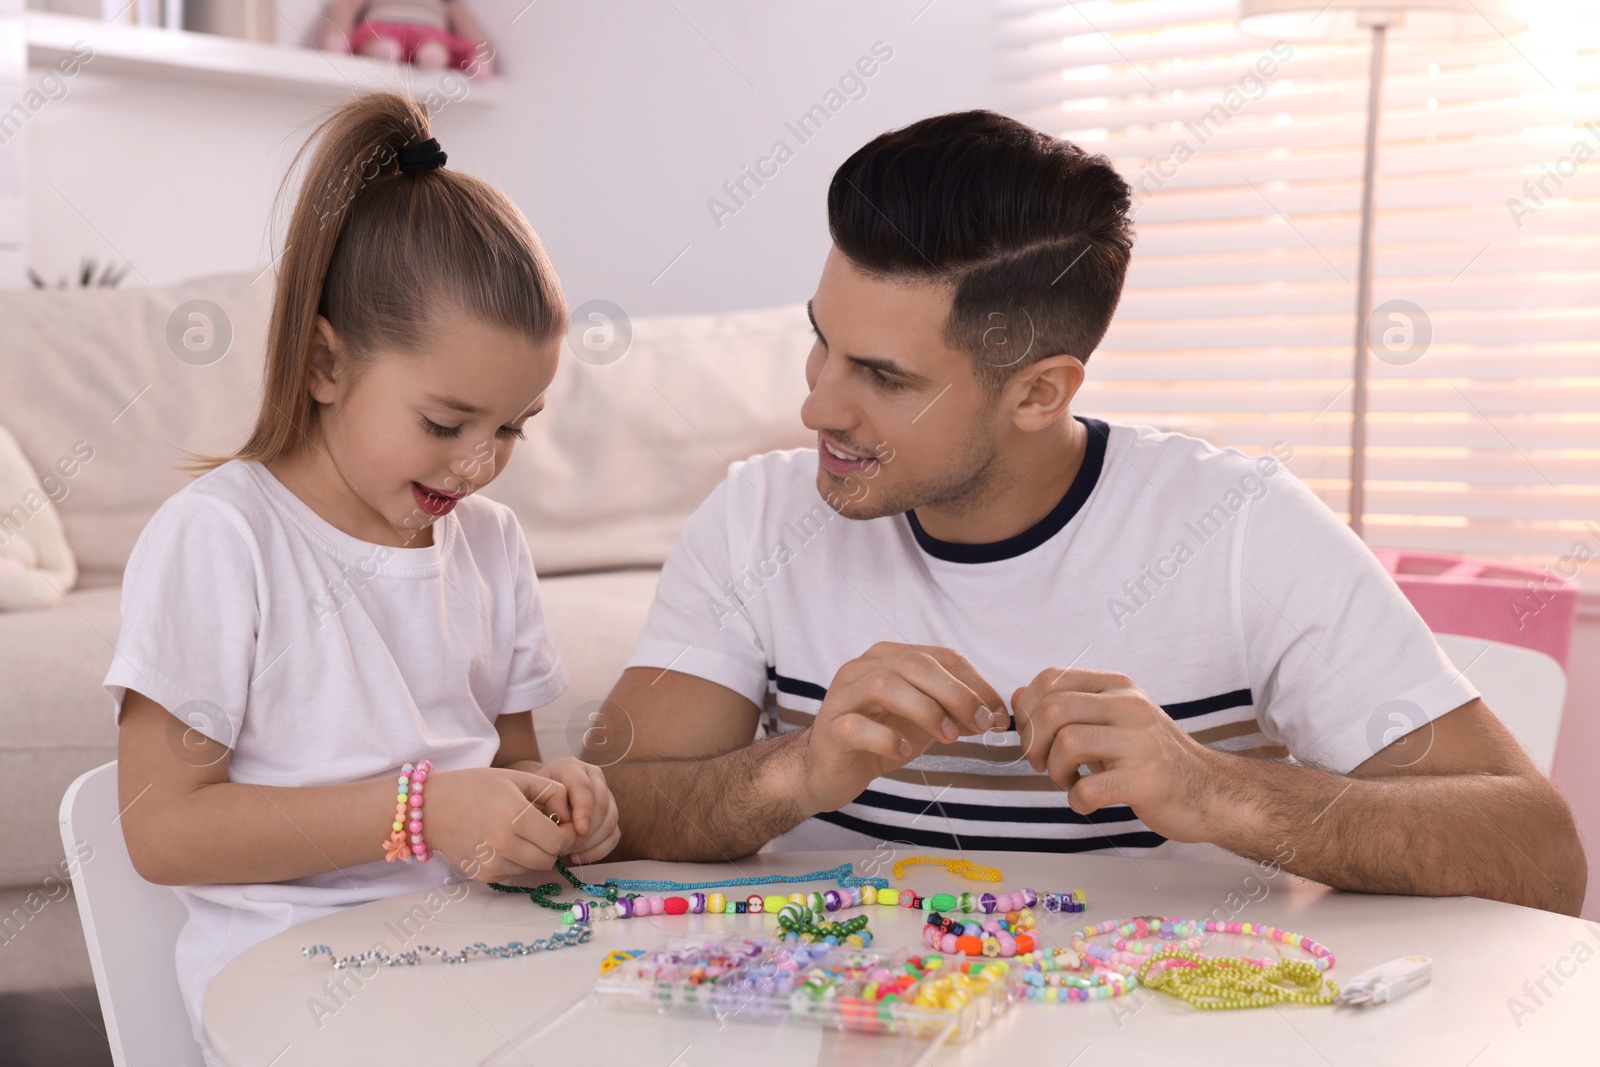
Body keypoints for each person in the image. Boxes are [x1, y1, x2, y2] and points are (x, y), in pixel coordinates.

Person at [598, 109, 1586, 916]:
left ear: (1038, 392)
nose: (817, 404)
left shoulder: (1239, 528)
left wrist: (1215, 792)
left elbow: (1537, 853)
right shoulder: (755, 518)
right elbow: (598, 812)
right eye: (822, 344)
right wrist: (794, 772)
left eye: (885, 378)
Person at [108, 93, 619, 1064]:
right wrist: (422, 810)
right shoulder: (223, 535)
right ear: (322, 362)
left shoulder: (492, 542)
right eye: (445, 422)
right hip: (293, 993)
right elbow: (163, 830)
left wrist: (547, 801)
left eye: (511, 427)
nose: (477, 465)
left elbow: (505, 767)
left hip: (483, 963)